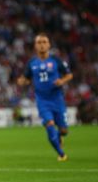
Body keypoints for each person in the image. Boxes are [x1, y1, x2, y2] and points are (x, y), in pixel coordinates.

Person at [17, 33, 73, 161]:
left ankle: (59, 136)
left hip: (57, 99)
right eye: (39, 42)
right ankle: (61, 154)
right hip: (42, 100)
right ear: (35, 46)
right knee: (49, 124)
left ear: (49, 45)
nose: (42, 45)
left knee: (64, 130)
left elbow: (69, 75)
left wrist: (62, 81)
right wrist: (22, 81)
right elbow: (25, 78)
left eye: (44, 42)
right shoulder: (31, 63)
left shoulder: (56, 60)